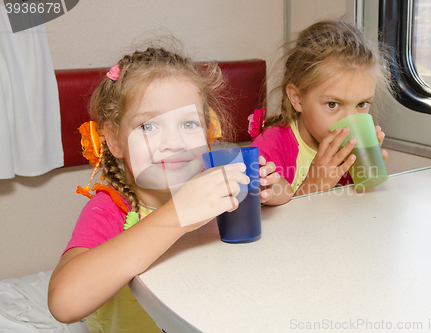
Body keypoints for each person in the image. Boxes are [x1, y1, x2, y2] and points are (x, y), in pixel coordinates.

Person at [48, 44, 283, 332]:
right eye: (148, 126)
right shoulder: (112, 208)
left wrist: (272, 188)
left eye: (188, 124)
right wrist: (179, 214)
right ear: (114, 140)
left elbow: (283, 204)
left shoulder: (215, 190)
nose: (174, 142)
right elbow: (64, 302)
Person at [249, 19, 393, 203]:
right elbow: (269, 223)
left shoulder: (350, 149)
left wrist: (365, 171)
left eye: (362, 104)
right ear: (297, 98)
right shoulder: (268, 151)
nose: (350, 120)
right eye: (333, 104)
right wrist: (312, 186)